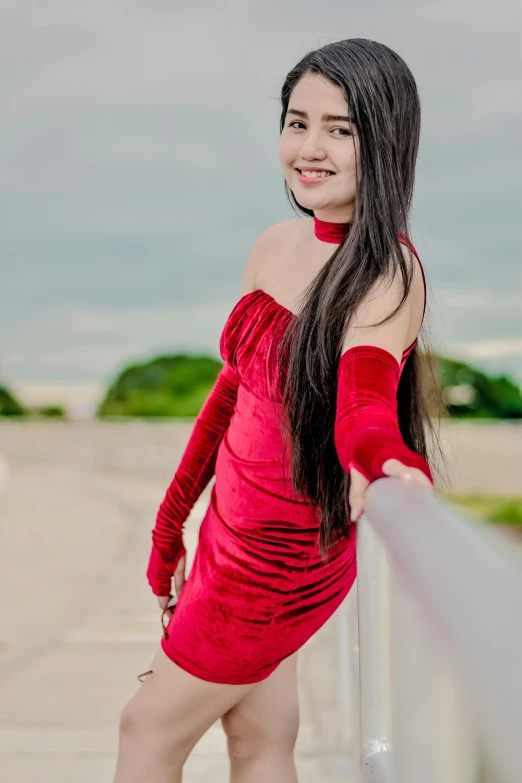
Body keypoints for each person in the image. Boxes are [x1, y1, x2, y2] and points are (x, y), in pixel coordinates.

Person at [113, 37, 443, 783]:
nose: (310, 148)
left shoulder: (387, 271)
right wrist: (171, 527)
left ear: (384, 139)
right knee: (259, 736)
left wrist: (386, 459)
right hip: (231, 533)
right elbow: (232, 394)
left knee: (145, 729)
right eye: (298, 122)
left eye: (341, 128)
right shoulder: (275, 244)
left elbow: (363, 398)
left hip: (280, 561)